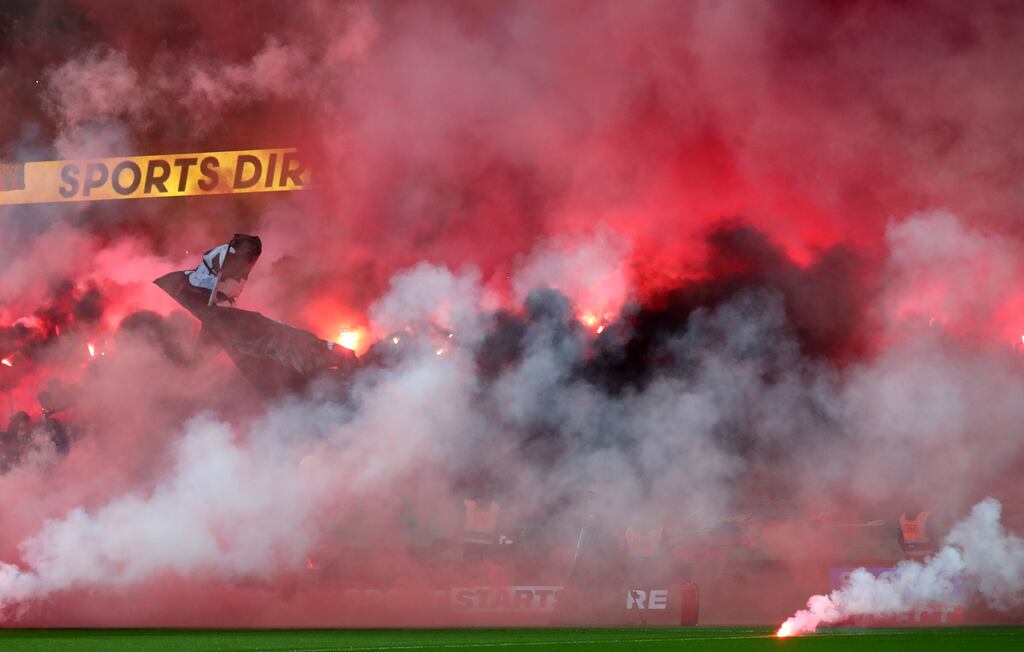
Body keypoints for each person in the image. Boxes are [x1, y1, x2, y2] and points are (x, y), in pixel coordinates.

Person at [185, 234, 262, 305]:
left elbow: (237, 282)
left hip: (211, 284)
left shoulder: (237, 257)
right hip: (203, 283)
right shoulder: (228, 255)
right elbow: (218, 278)